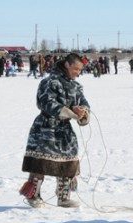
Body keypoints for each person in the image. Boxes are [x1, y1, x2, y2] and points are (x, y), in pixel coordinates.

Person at [19, 53, 91, 208]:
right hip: (45, 128)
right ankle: (33, 195)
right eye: (76, 69)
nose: (78, 73)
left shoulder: (76, 87)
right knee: (41, 163)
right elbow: (46, 103)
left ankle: (63, 197)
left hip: (65, 130)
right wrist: (70, 111)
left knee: (68, 162)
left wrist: (82, 112)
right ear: (67, 65)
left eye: (80, 70)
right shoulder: (49, 82)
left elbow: (84, 104)